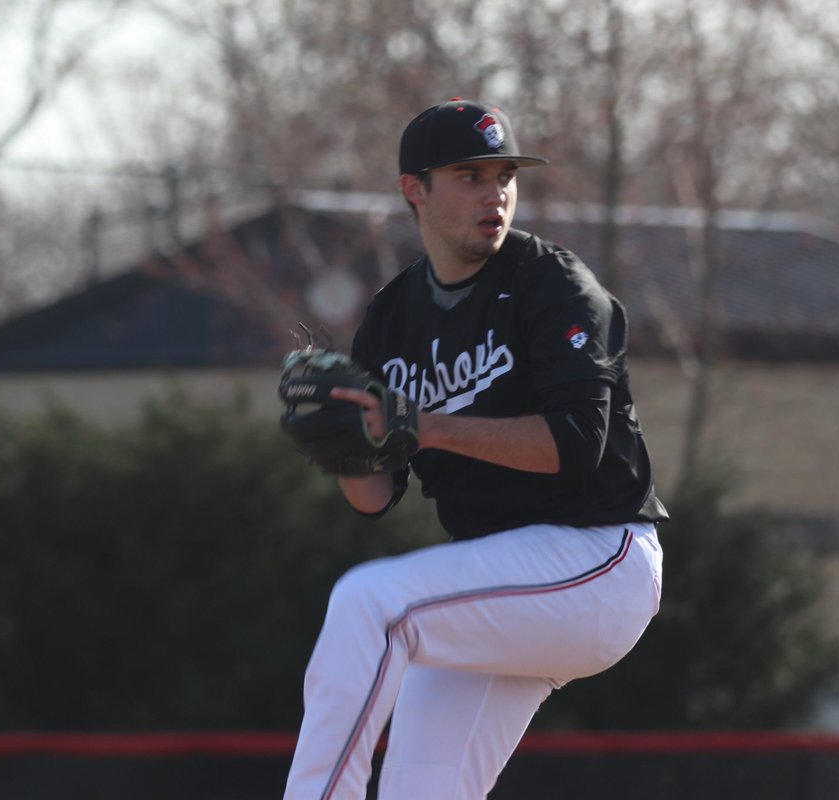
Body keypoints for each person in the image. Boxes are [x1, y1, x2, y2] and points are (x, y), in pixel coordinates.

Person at [283, 98, 668, 800]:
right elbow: (376, 497)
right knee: (420, 790)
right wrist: (340, 443)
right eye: (469, 174)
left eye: (504, 175)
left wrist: (422, 424)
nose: (495, 193)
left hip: (597, 559)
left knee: (370, 603)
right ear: (415, 190)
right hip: (494, 585)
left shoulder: (554, 287)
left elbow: (578, 442)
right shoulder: (393, 317)